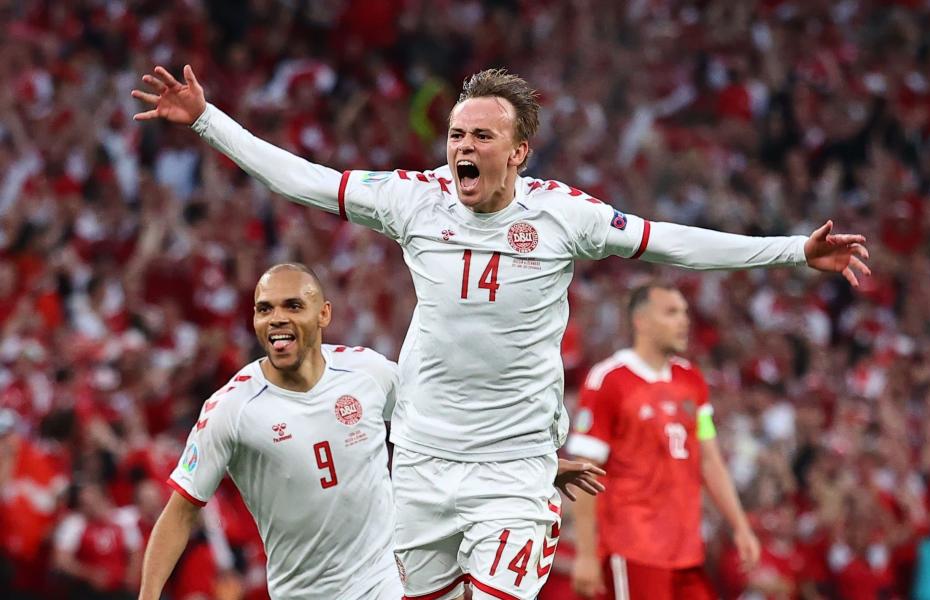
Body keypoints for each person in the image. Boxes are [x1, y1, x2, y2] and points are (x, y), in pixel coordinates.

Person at [132, 65, 869, 600]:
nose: (463, 148)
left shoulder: (563, 216)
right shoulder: (413, 201)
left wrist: (791, 252)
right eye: (456, 134)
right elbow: (306, 180)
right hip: (420, 464)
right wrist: (206, 119)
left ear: (518, 151)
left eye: (482, 136)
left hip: (514, 470)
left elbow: (672, 241)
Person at [138, 263, 403, 600]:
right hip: (303, 593)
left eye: (292, 306)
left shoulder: (368, 372)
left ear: (323, 314)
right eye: (265, 309)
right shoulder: (231, 409)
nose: (276, 318)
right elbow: (180, 511)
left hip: (386, 578)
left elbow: (431, 425)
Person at [565, 281, 761, 599]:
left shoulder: (691, 379)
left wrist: (740, 525)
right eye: (671, 312)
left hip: (686, 551)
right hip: (633, 548)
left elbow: (708, 458)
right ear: (640, 322)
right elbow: (585, 471)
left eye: (684, 311)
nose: (684, 320)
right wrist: (586, 553)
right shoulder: (608, 381)